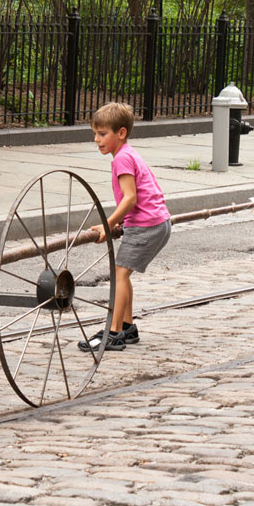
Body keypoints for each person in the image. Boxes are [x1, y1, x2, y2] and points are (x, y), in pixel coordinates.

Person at [79, 102, 172, 352]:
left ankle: (114, 332)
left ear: (121, 133)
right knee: (124, 272)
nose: (97, 140)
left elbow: (131, 198)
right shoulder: (127, 154)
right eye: (95, 134)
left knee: (119, 275)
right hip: (156, 222)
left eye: (102, 134)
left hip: (146, 225)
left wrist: (108, 225)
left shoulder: (122, 159)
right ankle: (127, 326)